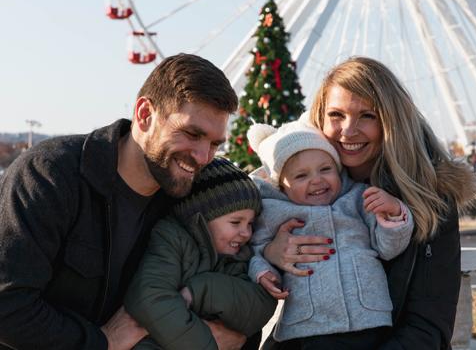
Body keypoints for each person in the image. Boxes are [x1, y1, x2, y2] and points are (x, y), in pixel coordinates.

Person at [0, 53, 245, 350]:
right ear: (144, 115)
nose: (203, 156)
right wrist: (102, 342)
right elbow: (8, 306)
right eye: (192, 134)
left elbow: (233, 277)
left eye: (215, 144)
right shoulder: (48, 175)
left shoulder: (192, 197)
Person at [260, 56, 476, 350]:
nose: (348, 131)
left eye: (367, 116)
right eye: (336, 115)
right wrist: (269, 252)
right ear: (319, 120)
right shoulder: (289, 188)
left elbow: (428, 326)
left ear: (391, 122)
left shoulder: (429, 199)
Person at [246, 121, 413, 349]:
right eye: (301, 176)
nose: (316, 180)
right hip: (308, 323)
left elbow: (388, 247)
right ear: (282, 186)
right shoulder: (273, 212)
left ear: (338, 170)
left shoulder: (358, 198)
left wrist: (394, 214)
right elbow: (256, 249)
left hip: (368, 316)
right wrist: (263, 270)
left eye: (325, 169)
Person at [124, 157, 277, 350]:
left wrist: (203, 290)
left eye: (250, 223)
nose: (246, 233)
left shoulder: (238, 255)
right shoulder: (171, 239)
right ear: (202, 218)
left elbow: (259, 306)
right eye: (236, 222)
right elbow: (149, 296)